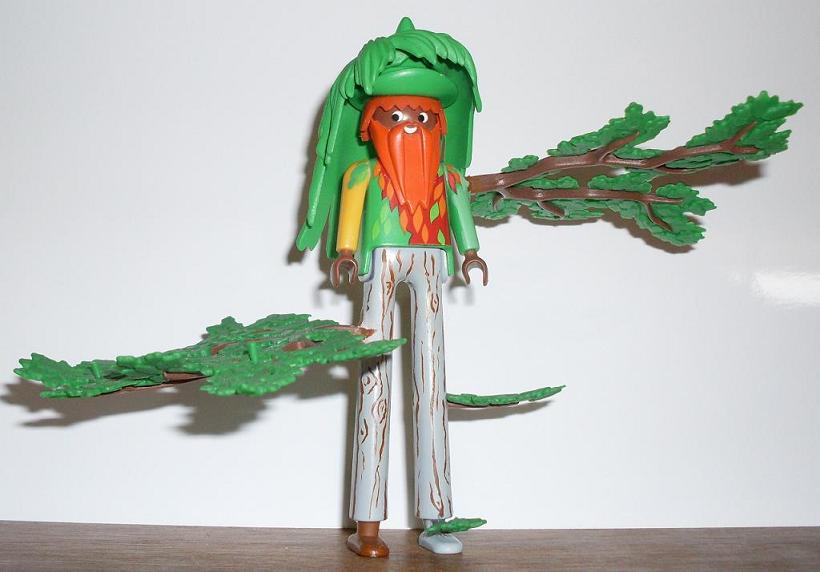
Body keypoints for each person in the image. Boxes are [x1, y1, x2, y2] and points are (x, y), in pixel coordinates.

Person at [296, 17, 487, 557]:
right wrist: (345, 253)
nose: (411, 126)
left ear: (441, 126)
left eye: (424, 117)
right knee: (374, 383)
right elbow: (347, 222)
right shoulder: (361, 177)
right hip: (380, 261)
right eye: (396, 116)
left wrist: (470, 251)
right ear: (369, 127)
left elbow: (462, 218)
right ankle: (367, 524)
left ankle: (437, 517)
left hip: (432, 261)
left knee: (432, 381)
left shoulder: (447, 179)